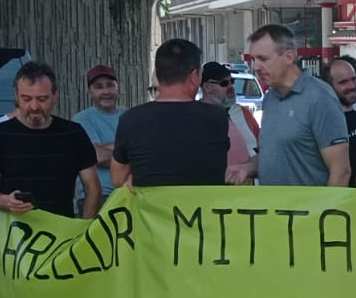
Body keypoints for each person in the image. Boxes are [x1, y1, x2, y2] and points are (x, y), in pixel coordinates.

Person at [0, 62, 101, 219]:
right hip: (14, 230)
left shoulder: (74, 134)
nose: (34, 106)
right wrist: (7, 201)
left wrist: (85, 227)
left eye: (42, 99)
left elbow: (93, 188)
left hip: (62, 229)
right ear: (16, 95)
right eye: (26, 99)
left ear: (55, 96)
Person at [110, 39, 231, 188]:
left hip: (150, 204)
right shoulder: (217, 118)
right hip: (203, 203)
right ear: (194, 76)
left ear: (158, 75)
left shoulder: (131, 119)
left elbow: (118, 179)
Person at [246, 24, 351, 186]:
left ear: (289, 57)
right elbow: (277, 153)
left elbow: (341, 172)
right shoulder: (270, 97)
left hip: (311, 202)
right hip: (271, 202)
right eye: (253, 59)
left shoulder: (320, 98)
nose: (256, 67)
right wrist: (247, 168)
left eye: (263, 59)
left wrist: (327, 204)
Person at [73, 64, 125, 200]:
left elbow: (146, 152)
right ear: (90, 92)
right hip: (98, 196)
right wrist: (128, 150)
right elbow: (97, 156)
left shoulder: (130, 116)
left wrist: (107, 148)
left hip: (129, 194)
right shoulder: (82, 119)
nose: (106, 91)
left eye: (110, 85)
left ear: (117, 88)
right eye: (99, 87)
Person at [200, 61, 261, 170]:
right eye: (224, 83)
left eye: (232, 81)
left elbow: (260, 145)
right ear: (207, 87)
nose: (231, 86)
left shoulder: (243, 112)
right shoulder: (196, 115)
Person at [323, 55, 356, 186]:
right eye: (343, 82)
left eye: (353, 79)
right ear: (329, 87)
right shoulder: (323, 124)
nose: (351, 85)